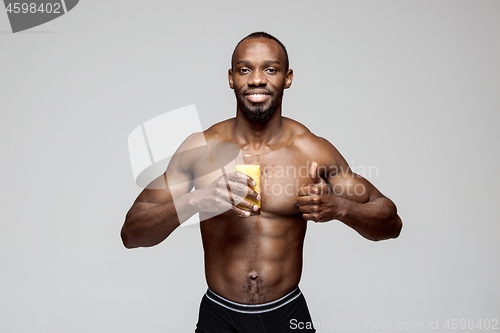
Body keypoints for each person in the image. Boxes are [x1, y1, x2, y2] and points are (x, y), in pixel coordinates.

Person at [121, 32, 403, 333]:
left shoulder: (313, 152)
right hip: (219, 314)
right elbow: (132, 233)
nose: (257, 80)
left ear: (287, 77)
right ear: (231, 78)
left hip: (286, 314)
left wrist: (340, 208)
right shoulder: (200, 149)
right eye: (245, 69)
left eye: (270, 69)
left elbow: (391, 222)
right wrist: (197, 200)